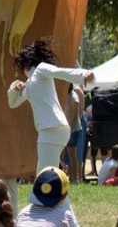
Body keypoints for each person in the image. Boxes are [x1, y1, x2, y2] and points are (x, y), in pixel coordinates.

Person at [8, 38, 92, 223]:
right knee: (47, 179)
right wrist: (14, 88)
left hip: (51, 130)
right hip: (55, 130)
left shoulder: (40, 69)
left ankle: (54, 221)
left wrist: (83, 74)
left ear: (26, 62)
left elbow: (61, 72)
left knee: (46, 181)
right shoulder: (30, 83)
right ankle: (66, 221)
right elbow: (13, 102)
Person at [63, 83, 84, 183]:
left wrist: (69, 128)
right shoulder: (64, 95)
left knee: (72, 154)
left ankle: (75, 178)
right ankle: (69, 177)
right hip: (65, 129)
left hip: (72, 130)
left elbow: (74, 115)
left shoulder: (73, 97)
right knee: (65, 154)